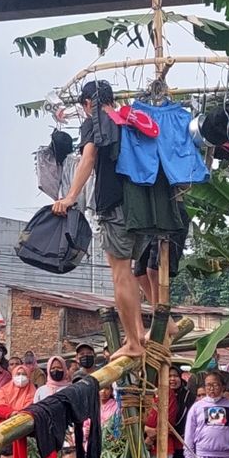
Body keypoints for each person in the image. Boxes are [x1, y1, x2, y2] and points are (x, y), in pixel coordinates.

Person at [54, 79, 145, 360]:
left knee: (119, 274)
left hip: (114, 205)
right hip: (143, 207)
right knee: (135, 272)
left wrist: (70, 196)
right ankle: (143, 332)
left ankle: (133, 342)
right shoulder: (129, 119)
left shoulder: (95, 121)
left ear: (88, 103)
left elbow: (88, 159)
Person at [0, 362, 36, 427]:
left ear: (28, 377)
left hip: (24, 427)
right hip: (3, 427)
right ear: (13, 375)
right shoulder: (3, 390)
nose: (21, 377)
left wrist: (18, 414)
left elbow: (31, 408)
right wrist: (12, 413)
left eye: (24, 374)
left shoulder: (33, 391)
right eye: (18, 374)